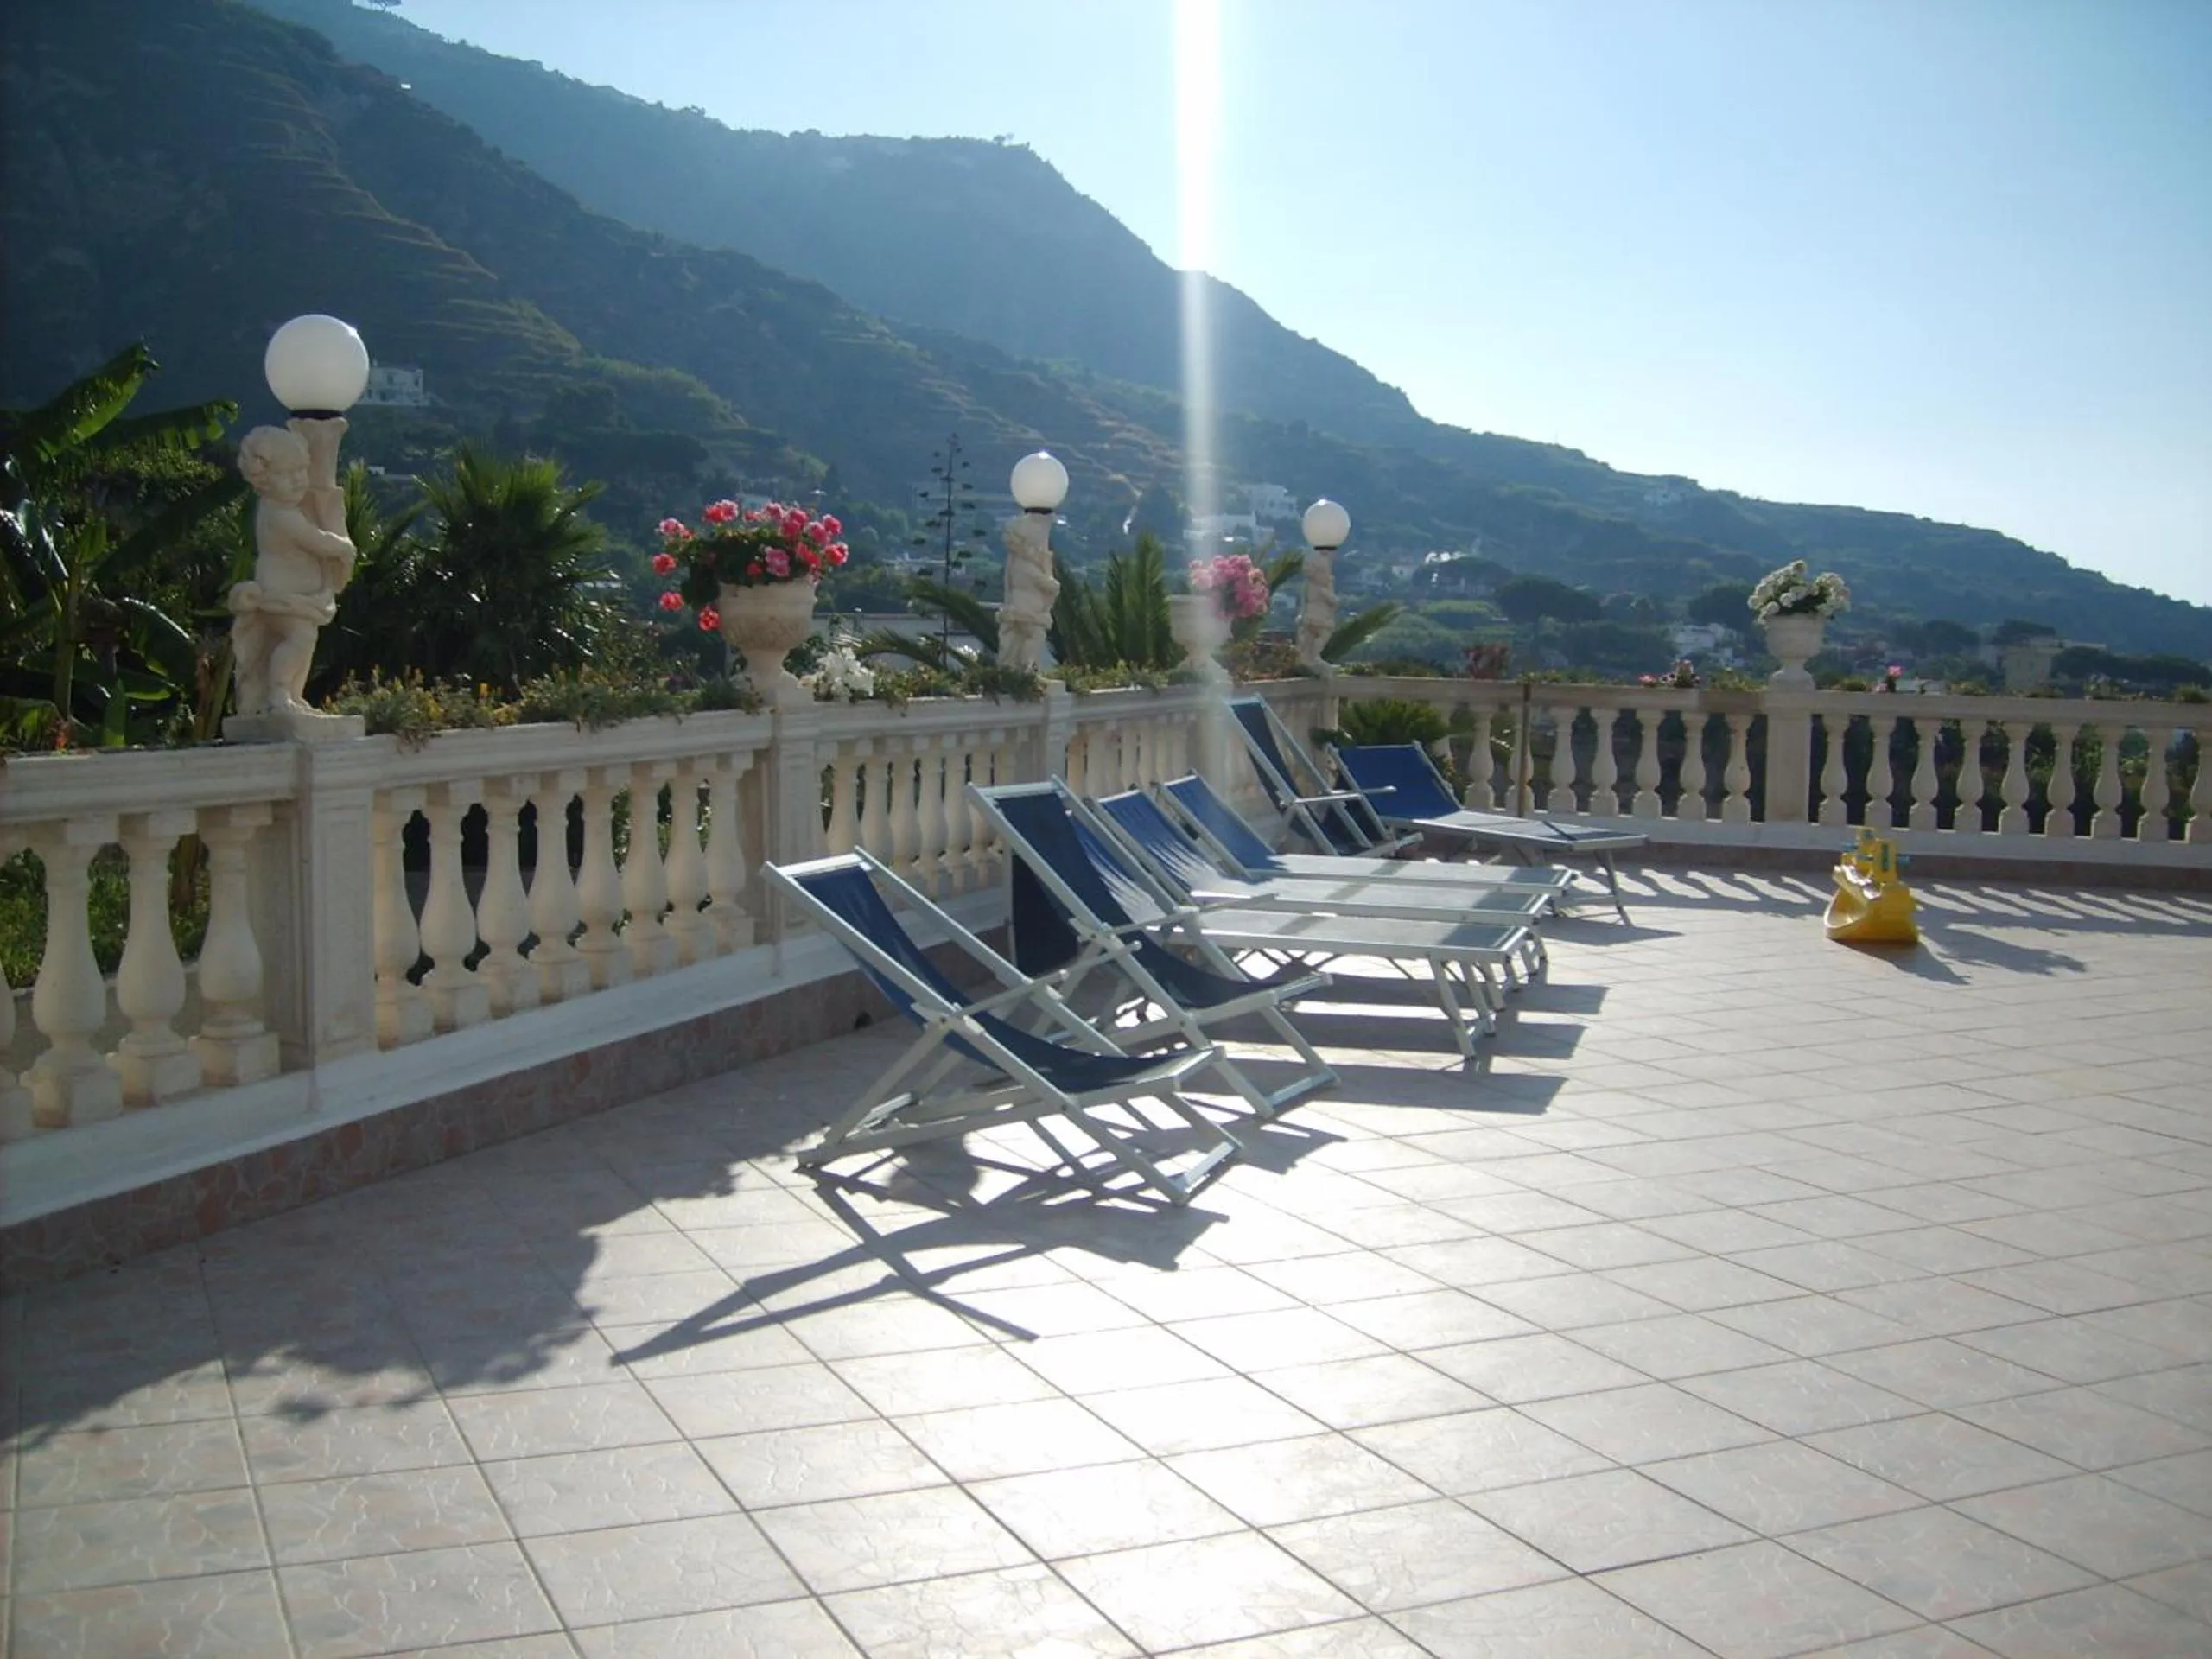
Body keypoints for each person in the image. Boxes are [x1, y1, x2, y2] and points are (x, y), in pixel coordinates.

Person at [230, 423, 356, 715]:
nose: (300, 480)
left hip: (295, 594)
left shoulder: (282, 509)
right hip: (282, 593)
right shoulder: (280, 515)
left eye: (302, 471)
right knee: (300, 638)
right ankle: (279, 693)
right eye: (288, 474)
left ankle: (292, 695)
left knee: (303, 640)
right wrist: (341, 546)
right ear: (263, 479)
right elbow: (316, 541)